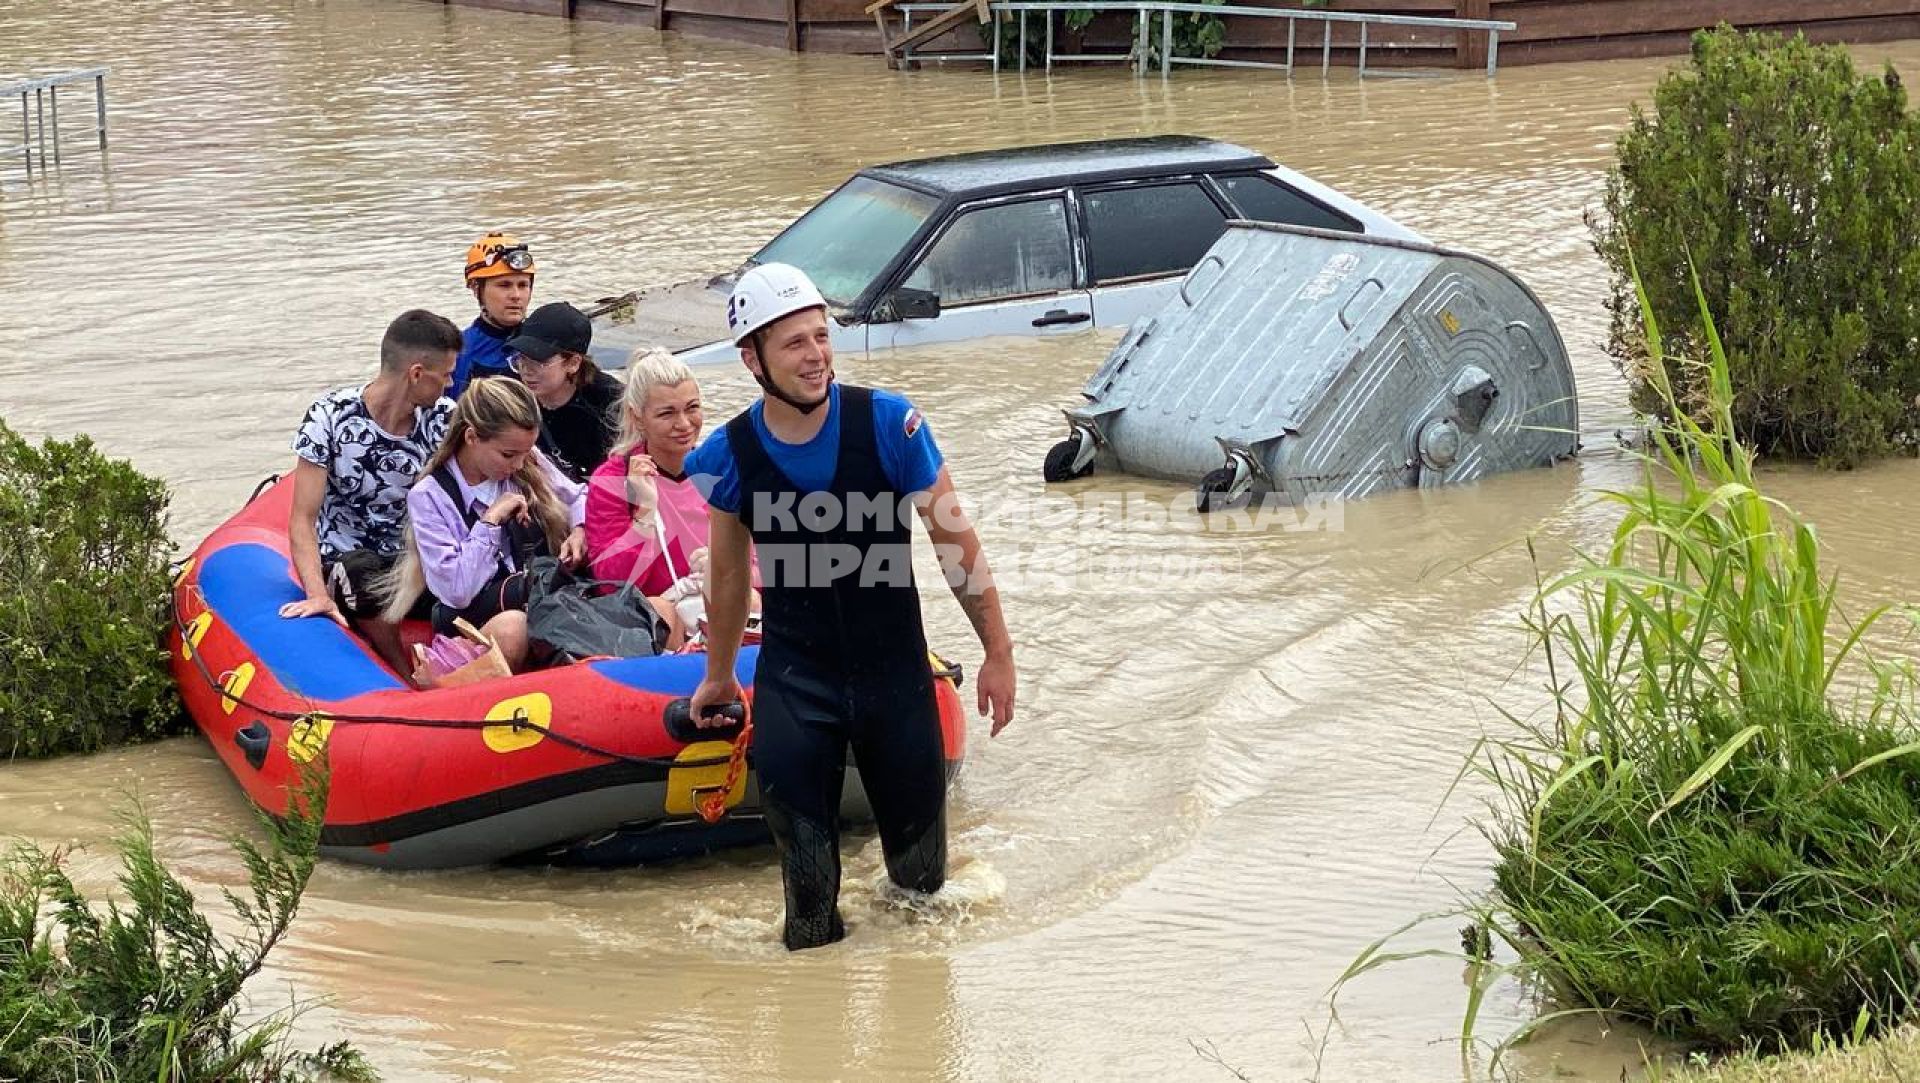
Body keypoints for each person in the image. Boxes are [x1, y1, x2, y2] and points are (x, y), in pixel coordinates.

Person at [686, 262, 1016, 951]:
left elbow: (957, 546)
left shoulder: (893, 427)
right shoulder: (729, 455)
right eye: (794, 344)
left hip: (896, 685)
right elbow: (725, 581)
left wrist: (998, 652)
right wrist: (718, 677)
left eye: (820, 337)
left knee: (925, 902)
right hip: (795, 688)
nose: (815, 356)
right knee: (808, 917)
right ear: (752, 360)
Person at [281, 309, 461, 675]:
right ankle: (400, 673)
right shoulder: (329, 417)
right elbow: (302, 518)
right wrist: (316, 593)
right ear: (416, 374)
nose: (449, 384)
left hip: (415, 563)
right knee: (361, 573)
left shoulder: (444, 418)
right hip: (351, 565)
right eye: (445, 375)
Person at [380, 377, 589, 674]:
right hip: (472, 619)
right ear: (472, 437)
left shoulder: (526, 459)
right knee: (513, 628)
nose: (518, 465)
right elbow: (456, 591)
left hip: (537, 599)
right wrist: (490, 521)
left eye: (525, 452)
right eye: (508, 455)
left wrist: (579, 529)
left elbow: (579, 494)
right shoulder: (428, 495)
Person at [584, 346, 757, 646]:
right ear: (637, 418)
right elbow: (613, 587)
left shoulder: (725, 469)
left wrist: (726, 563)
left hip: (715, 604)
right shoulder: (612, 481)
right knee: (659, 610)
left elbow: (764, 565)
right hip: (655, 619)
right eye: (667, 413)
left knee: (748, 597)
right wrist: (645, 514)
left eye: (692, 408)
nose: (684, 424)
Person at [507, 301, 622, 484]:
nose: (526, 370)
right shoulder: (514, 399)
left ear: (573, 363)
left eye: (539, 361)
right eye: (521, 358)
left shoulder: (610, 404)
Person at [454, 231, 536, 395]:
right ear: (476, 288)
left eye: (523, 285)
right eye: (504, 285)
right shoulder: (459, 353)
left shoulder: (546, 341)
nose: (516, 295)